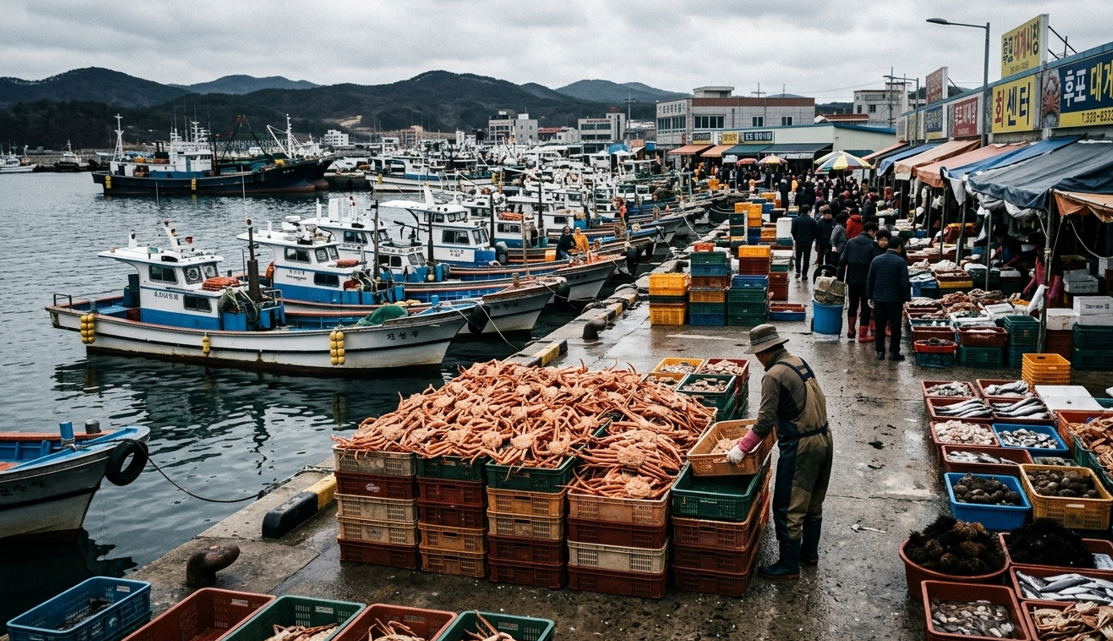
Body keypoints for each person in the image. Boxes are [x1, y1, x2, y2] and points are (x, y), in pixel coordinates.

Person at [727, 324, 833, 579]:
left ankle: (788, 566)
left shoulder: (773, 375)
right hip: (824, 438)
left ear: (763, 352)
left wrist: (741, 448)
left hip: (801, 446)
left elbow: (764, 422)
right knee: (813, 503)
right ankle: (809, 554)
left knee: (788, 507)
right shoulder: (798, 361)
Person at [867, 235, 911, 361]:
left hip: (879, 300)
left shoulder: (876, 260)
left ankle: (880, 351)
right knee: (895, 327)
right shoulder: (900, 262)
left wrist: (870, 296)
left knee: (879, 327)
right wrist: (907, 298)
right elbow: (904, 282)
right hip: (894, 301)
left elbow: (870, 280)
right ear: (898, 248)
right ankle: (894, 353)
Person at [837, 221, 879, 342]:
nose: (874, 236)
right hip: (867, 281)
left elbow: (842, 262)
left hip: (852, 280)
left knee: (853, 305)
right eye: (875, 233)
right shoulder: (873, 245)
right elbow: (875, 264)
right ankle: (862, 334)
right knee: (865, 307)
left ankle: (851, 330)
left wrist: (840, 280)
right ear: (870, 231)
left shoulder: (851, 242)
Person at [791, 204, 817, 280]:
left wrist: (796, 238)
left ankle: (797, 272)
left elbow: (793, 231)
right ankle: (804, 274)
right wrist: (811, 239)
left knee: (798, 257)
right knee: (806, 258)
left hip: (799, 241)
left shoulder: (796, 220)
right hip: (808, 242)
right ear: (808, 211)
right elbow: (815, 232)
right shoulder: (812, 221)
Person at [813, 207, 835, 279]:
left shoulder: (834, 222)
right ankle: (820, 272)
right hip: (822, 243)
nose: (827, 216)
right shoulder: (820, 222)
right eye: (826, 214)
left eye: (829, 214)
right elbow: (817, 233)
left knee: (829, 259)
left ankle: (829, 273)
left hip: (830, 244)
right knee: (820, 258)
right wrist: (818, 242)